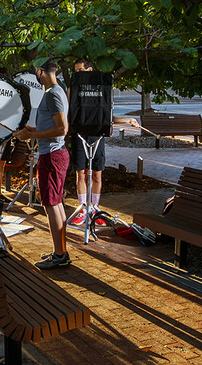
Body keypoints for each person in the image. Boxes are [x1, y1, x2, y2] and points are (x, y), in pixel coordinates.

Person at [68, 58, 140, 226]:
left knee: (97, 174)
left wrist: (126, 120)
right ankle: (82, 209)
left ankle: (95, 209)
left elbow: (106, 117)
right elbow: (68, 115)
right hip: (79, 134)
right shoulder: (72, 89)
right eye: (75, 72)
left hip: (97, 134)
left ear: (90, 70)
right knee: (81, 173)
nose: (77, 74)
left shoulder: (101, 90)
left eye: (80, 71)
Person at [14, 60, 70, 269]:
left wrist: (33, 135)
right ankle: (60, 251)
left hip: (52, 156)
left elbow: (62, 129)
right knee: (55, 203)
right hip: (54, 154)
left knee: (51, 204)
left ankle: (59, 255)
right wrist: (31, 130)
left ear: (40, 71)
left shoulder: (53, 94)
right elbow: (52, 124)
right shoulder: (58, 91)